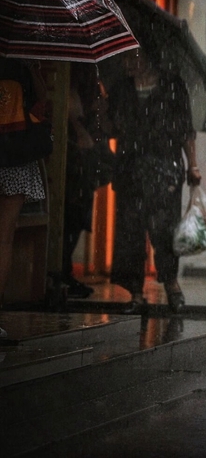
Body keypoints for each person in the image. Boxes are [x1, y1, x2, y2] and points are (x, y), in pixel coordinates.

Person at [107, 50, 200, 314]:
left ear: (147, 57)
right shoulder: (121, 89)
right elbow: (112, 128)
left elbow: (185, 129)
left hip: (165, 169)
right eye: (123, 59)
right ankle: (136, 293)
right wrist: (102, 114)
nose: (126, 64)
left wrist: (192, 163)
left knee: (165, 229)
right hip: (130, 169)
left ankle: (171, 284)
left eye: (130, 57)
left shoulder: (172, 86)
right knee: (130, 229)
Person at [1, 59, 50, 337]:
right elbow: (42, 103)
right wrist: (32, 68)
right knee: (4, 238)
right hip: (16, 158)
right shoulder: (22, 62)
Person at [61, 65, 114, 299]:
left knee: (76, 216)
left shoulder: (90, 82)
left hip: (83, 164)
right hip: (74, 161)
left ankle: (63, 270)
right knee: (71, 215)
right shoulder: (72, 81)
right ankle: (61, 270)